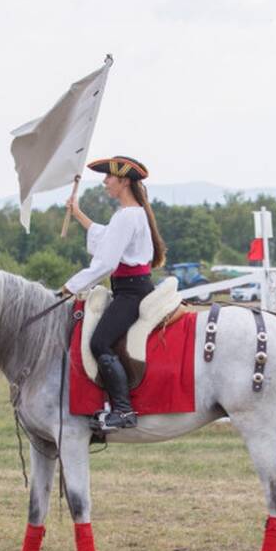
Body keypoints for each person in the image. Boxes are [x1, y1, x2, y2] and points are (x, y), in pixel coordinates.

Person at [62, 155, 167, 433]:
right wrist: (78, 213)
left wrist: (69, 288)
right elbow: (107, 238)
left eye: (108, 177)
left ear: (122, 180)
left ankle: (123, 409)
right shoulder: (131, 214)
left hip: (131, 294)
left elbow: (105, 263)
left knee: (99, 343)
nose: (105, 182)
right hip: (131, 289)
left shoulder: (127, 215)